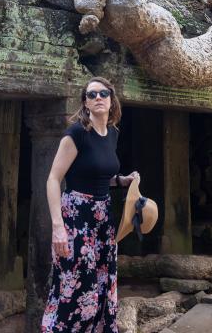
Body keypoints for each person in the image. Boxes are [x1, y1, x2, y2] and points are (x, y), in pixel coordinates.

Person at [41, 78, 139, 333]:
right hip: (76, 217)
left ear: (111, 100)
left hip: (103, 216)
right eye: (91, 94)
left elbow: (99, 175)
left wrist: (121, 180)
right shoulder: (76, 134)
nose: (98, 98)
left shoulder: (112, 134)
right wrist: (57, 227)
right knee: (75, 284)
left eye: (103, 93)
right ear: (85, 102)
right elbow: (53, 179)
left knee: (103, 281)